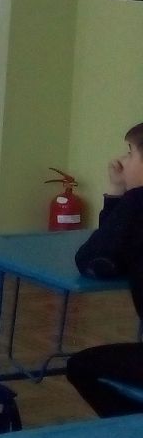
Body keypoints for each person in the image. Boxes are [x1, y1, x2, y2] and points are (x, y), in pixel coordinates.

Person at [65, 123, 143, 417]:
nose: (123, 160)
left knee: (82, 367)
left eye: (130, 153)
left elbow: (94, 260)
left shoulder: (138, 203)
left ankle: (129, 430)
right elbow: (113, 250)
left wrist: (118, 193)